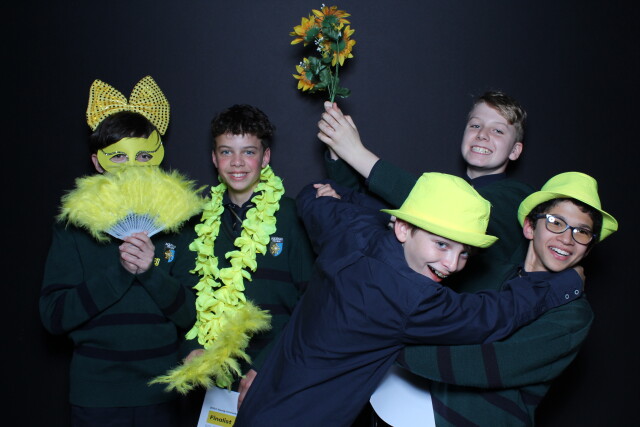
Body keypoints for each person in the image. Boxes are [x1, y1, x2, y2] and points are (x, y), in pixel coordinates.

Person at [234, 172, 584, 426]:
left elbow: (313, 196)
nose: (452, 264)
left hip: (260, 403)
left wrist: (335, 195)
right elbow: (493, 315)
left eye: (465, 252)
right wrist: (565, 283)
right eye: (442, 244)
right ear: (402, 228)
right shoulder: (412, 298)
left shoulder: (350, 230)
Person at [371, 171, 618, 426]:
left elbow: (479, 365)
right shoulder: (491, 271)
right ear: (530, 227)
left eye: (582, 232)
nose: (567, 239)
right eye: (556, 222)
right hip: (398, 410)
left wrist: (381, 339)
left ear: (588, 247)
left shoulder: (573, 315)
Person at [40, 76, 200, 426]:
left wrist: (150, 273)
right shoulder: (73, 228)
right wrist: (120, 272)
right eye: (118, 156)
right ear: (98, 162)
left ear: (157, 158)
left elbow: (192, 315)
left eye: (144, 155)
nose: (132, 166)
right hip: (96, 398)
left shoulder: (179, 226)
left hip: (161, 396)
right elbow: (53, 318)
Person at [162, 104, 315, 406]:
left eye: (248, 152)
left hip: (277, 373)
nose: (236, 163)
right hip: (216, 382)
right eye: (226, 152)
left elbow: (310, 306)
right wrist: (192, 349)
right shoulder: (198, 222)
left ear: (265, 157)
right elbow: (189, 300)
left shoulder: (293, 217)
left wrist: (266, 365)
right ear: (214, 158)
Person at [319, 91, 533, 292]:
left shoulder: (518, 198)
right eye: (475, 125)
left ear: (515, 150)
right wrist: (338, 150)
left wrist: (355, 152)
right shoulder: (443, 188)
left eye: (497, 130)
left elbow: (448, 209)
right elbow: (364, 210)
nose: (482, 135)